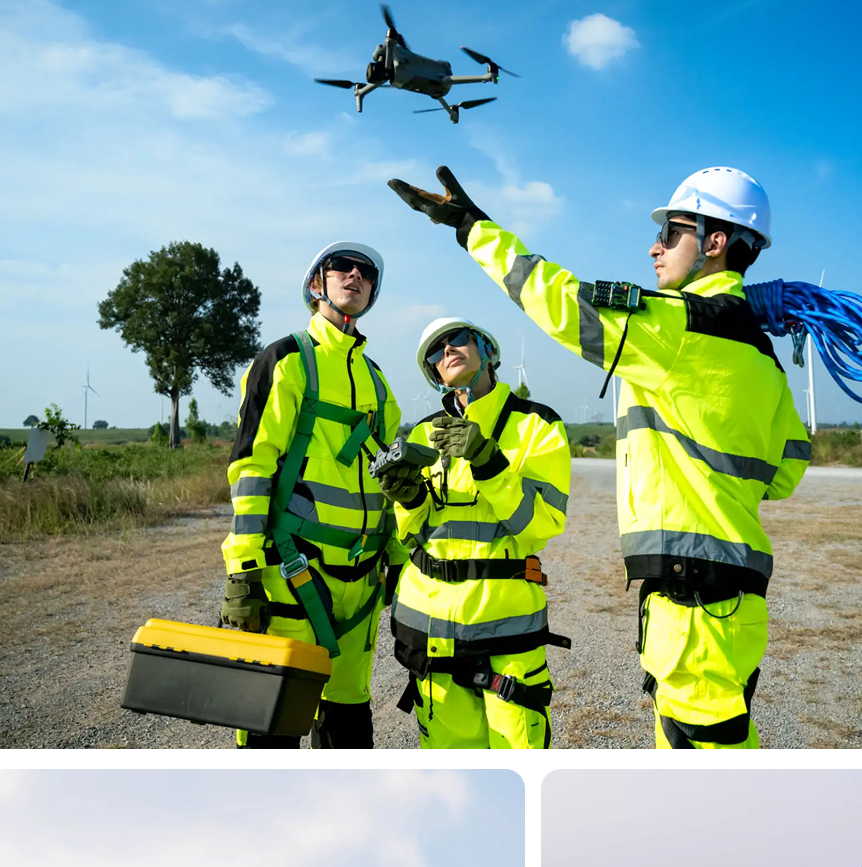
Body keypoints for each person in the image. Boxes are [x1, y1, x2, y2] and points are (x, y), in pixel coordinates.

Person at [388, 165, 810, 750]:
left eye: (673, 233)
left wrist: (468, 224)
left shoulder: (676, 329)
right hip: (736, 598)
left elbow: (554, 300)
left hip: (692, 602)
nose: (654, 247)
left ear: (715, 243)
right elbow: (785, 472)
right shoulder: (761, 355)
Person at [220, 241, 406, 751]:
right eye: (340, 267)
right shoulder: (286, 360)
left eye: (366, 272)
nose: (354, 274)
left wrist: (397, 562)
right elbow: (252, 467)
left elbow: (389, 483)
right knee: (271, 726)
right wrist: (242, 570)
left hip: (362, 585)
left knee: (349, 729)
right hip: (292, 572)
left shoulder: (378, 382)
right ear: (315, 285)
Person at [374, 315, 570, 748]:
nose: (447, 350)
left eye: (457, 339)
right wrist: (407, 501)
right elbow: (414, 535)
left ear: (486, 348)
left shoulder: (539, 426)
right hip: (431, 631)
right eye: (435, 351)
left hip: (506, 632)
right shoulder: (425, 433)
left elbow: (542, 524)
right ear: (433, 374)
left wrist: (488, 461)